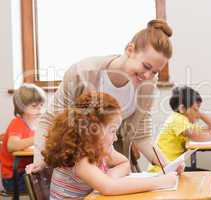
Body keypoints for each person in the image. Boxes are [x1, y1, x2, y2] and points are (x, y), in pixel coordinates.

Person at [31, 19, 174, 172]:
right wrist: (39, 161)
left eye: (154, 72)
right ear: (130, 50)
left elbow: (142, 136)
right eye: (146, 66)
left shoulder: (147, 86)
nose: (148, 75)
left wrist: (168, 165)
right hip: (78, 166)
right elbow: (49, 120)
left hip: (111, 167)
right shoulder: (82, 73)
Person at [43, 92, 177, 200]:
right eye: (112, 131)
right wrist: (160, 182)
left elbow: (124, 163)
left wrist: (111, 175)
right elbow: (109, 188)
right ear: (93, 130)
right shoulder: (80, 159)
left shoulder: (102, 149)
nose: (116, 137)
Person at [149, 86, 211, 200]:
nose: (197, 114)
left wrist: (199, 113)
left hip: (172, 168)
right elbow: (199, 136)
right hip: (163, 170)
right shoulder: (177, 119)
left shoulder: (183, 120)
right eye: (195, 109)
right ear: (182, 108)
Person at [0, 84, 45, 193]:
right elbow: (12, 146)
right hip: (14, 178)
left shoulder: (32, 125)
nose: (39, 109)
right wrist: (37, 138)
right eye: (34, 106)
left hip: (23, 172)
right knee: (49, 182)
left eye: (41, 105)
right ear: (21, 107)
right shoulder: (17, 123)